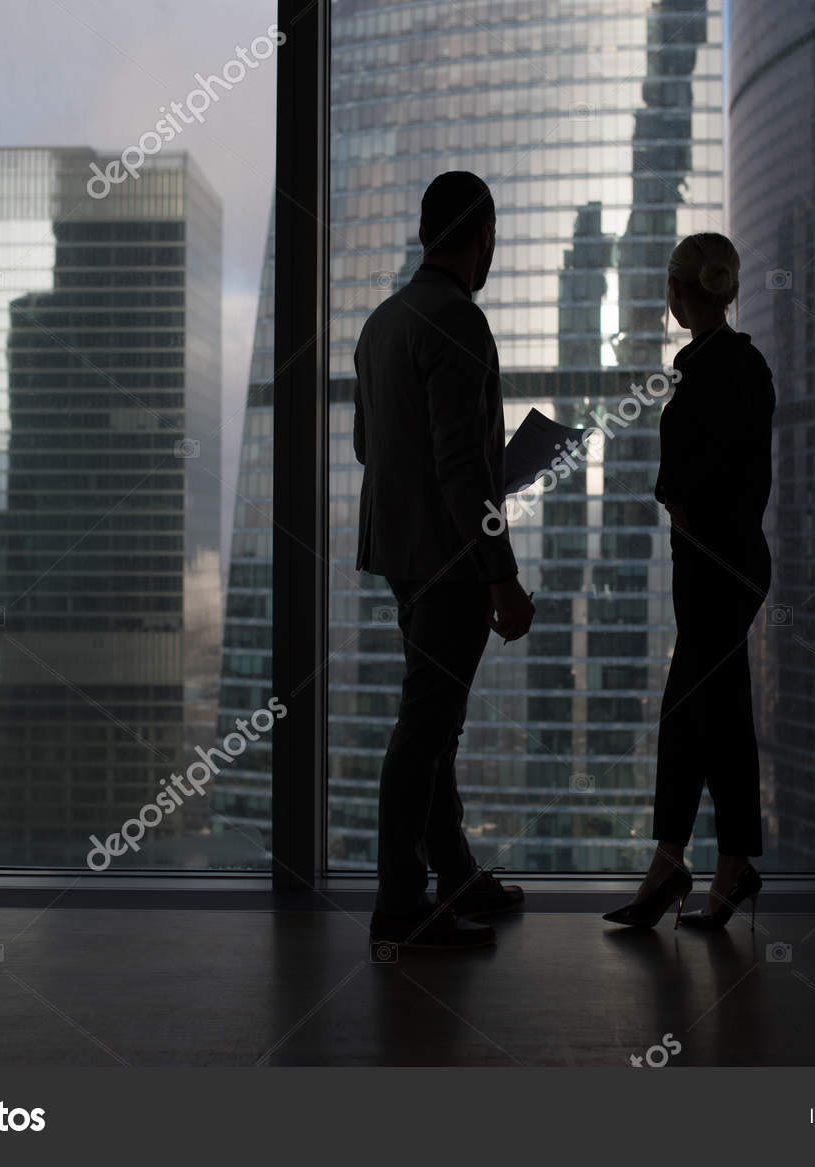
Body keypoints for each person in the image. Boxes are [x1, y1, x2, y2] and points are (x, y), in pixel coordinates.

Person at [355, 171, 536, 952]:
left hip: (401, 553)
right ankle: (401, 902)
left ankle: (453, 873)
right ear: (484, 236)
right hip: (453, 558)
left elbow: (369, 446)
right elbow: (462, 468)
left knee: (436, 726)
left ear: (425, 232)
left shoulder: (383, 322)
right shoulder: (459, 320)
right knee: (425, 730)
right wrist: (503, 577)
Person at [603, 232, 775, 931]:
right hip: (732, 564)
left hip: (711, 569)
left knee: (690, 711)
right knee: (720, 712)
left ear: (677, 292)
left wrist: (673, 494)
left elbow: (685, 479)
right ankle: (726, 866)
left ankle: (673, 862)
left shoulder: (706, 370)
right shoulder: (744, 364)